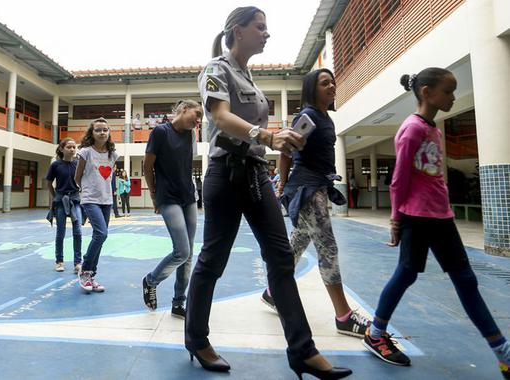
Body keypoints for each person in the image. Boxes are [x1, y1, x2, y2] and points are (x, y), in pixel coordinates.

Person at [184, 7, 351, 379]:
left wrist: (280, 140)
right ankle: (196, 338)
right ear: (237, 31)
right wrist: (267, 135)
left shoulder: (251, 79)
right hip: (226, 175)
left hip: (257, 173)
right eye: (260, 27)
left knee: (280, 259)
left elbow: (252, 127)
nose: (266, 33)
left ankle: (303, 351)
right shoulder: (216, 70)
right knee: (213, 260)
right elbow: (222, 117)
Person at [362, 68, 510, 380]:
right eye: (448, 91)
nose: (453, 97)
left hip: (441, 217)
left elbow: (433, 178)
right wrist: (395, 220)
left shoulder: (434, 129)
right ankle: (376, 333)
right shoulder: (411, 129)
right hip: (416, 218)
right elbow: (399, 178)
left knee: (466, 281)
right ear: (427, 92)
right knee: (406, 275)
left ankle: (503, 353)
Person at [261, 69, 370, 340]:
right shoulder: (307, 116)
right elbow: (287, 151)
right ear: (312, 89)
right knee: (328, 248)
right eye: (325, 83)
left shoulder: (325, 118)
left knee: (297, 243)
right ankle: (344, 316)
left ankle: (272, 292)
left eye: (332, 81)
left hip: (319, 186)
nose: (332, 85)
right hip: (306, 189)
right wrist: (283, 186)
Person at [141, 100, 202, 319]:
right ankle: (151, 281)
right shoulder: (160, 132)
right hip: (168, 198)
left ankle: (178, 303)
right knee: (182, 251)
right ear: (184, 109)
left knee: (188, 254)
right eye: (197, 114)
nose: (199, 120)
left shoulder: (189, 135)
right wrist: (154, 195)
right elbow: (147, 166)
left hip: (189, 197)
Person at [75, 118, 119, 293]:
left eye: (105, 130)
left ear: (109, 133)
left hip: (106, 200)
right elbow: (77, 176)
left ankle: (91, 275)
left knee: (101, 236)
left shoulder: (112, 154)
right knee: (101, 233)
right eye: (98, 130)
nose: (102, 132)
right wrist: (85, 191)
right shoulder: (85, 152)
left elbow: (108, 177)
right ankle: (85, 270)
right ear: (91, 133)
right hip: (90, 199)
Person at [46, 137, 82, 274]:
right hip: (61, 201)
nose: (72, 149)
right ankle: (59, 261)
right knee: (60, 232)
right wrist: (55, 197)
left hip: (75, 200)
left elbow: (82, 179)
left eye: (74, 147)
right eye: (69, 147)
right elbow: (49, 182)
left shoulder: (78, 163)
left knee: (77, 232)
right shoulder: (55, 165)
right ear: (62, 149)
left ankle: (78, 263)